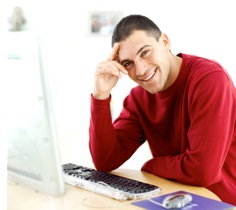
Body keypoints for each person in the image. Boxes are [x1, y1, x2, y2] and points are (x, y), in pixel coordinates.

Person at [89, 14, 236, 205]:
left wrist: (152, 165)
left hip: (221, 203)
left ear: (165, 42)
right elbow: (105, 161)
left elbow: (203, 172)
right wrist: (100, 96)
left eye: (145, 52)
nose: (140, 70)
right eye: (128, 63)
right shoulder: (138, 99)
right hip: (173, 199)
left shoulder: (209, 80)